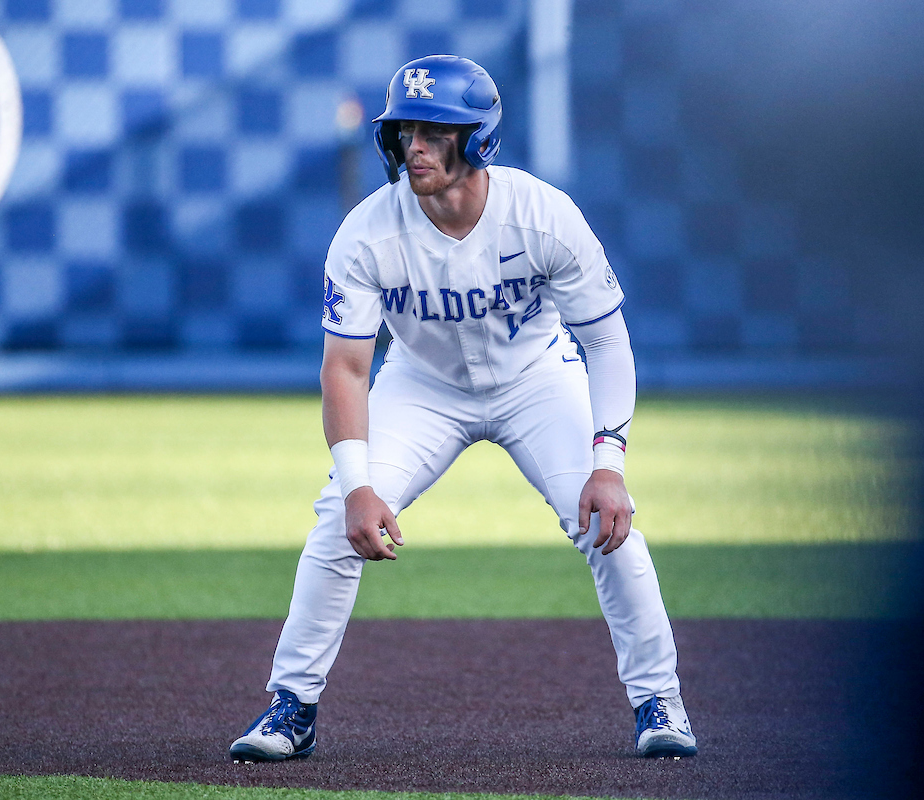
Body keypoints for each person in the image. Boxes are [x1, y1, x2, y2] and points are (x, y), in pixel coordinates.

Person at [229, 55, 696, 762]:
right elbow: (346, 369)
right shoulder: (367, 232)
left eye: (434, 130)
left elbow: (607, 342)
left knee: (608, 523)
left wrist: (610, 462)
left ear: (477, 139)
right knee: (336, 518)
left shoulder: (543, 215)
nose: (413, 145)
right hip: (422, 385)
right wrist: (358, 485)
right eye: (405, 130)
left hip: (537, 377)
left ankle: (660, 701)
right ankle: (291, 707)